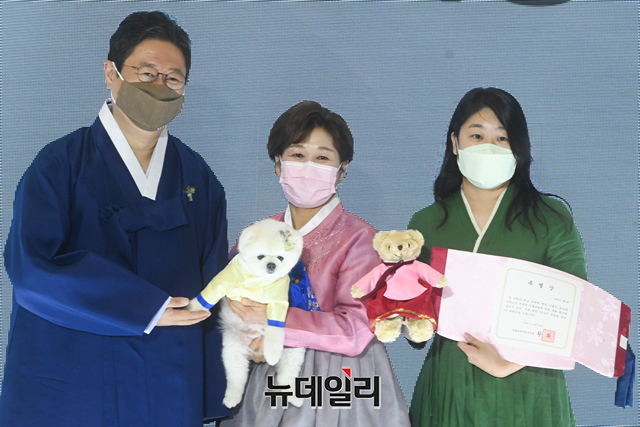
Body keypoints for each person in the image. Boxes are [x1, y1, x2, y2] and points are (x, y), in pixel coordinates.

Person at [0, 11, 230, 426]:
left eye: (173, 78)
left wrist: (220, 394)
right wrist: (147, 308)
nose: (160, 87)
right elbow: (33, 271)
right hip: (74, 382)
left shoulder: (199, 178)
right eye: (147, 73)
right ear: (112, 73)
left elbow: (216, 289)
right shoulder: (59, 166)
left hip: (168, 380)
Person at [218, 101, 411, 426]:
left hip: (341, 381)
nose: (308, 167)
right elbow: (232, 304)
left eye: (322, 158)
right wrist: (247, 339)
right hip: (265, 376)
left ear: (342, 169)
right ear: (278, 164)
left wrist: (276, 325)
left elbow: (355, 329)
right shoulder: (256, 236)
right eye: (297, 154)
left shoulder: (361, 239)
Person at [408, 87, 586, 427]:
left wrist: (508, 363)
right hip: (449, 384)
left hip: (529, 386)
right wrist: (400, 313)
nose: (489, 147)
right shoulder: (426, 223)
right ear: (455, 142)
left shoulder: (550, 218)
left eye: (502, 138)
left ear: (518, 147)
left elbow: (575, 309)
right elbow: (418, 326)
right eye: (477, 135)